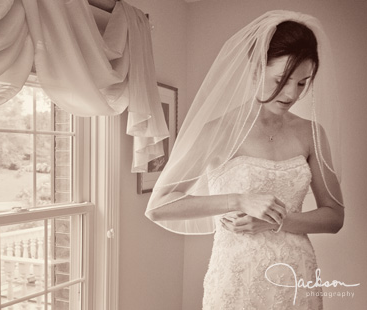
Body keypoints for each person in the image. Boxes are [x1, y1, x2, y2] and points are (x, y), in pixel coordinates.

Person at [145, 10, 343, 309]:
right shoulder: (217, 132)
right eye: (282, 79)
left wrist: (279, 221)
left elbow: (334, 217)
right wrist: (239, 200)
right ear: (255, 70)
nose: (292, 94)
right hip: (236, 279)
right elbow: (158, 207)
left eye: (302, 83)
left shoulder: (311, 133)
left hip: (296, 275)